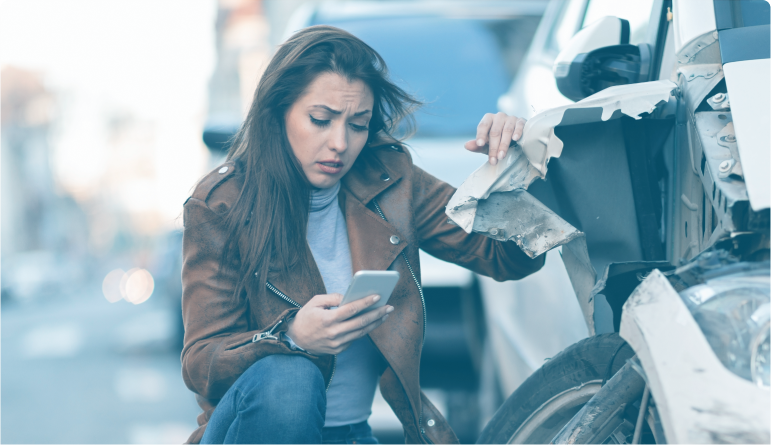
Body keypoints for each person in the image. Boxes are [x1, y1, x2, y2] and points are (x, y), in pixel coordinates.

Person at [181, 25, 543, 445]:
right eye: (320, 120)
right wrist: (292, 337)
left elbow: (509, 258)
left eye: (358, 125)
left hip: (351, 436)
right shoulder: (222, 203)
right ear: (278, 113)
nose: (340, 143)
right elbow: (201, 362)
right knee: (290, 377)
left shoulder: (390, 182)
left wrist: (514, 166)